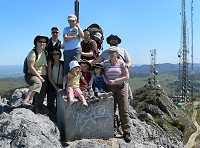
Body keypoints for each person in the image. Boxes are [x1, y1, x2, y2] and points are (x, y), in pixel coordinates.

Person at [101, 46, 131, 143]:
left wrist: (115, 81)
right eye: (109, 52)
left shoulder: (122, 63)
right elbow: (100, 72)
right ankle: (112, 130)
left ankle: (126, 132)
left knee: (124, 109)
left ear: (117, 54)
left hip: (121, 87)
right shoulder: (105, 63)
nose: (111, 54)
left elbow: (127, 77)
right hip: (109, 87)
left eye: (113, 52)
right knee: (111, 109)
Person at [23, 35, 49, 114]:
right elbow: (30, 67)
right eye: (40, 41)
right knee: (37, 83)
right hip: (32, 75)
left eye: (44, 42)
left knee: (41, 94)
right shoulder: (33, 53)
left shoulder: (45, 53)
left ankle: (37, 109)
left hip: (43, 75)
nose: (42, 43)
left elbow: (45, 64)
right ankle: (26, 101)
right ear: (36, 43)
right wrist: (39, 77)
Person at [62, 14, 84, 80]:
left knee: (76, 66)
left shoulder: (78, 28)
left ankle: (76, 83)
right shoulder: (66, 29)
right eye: (69, 21)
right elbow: (65, 38)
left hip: (76, 49)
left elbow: (82, 36)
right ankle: (67, 83)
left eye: (73, 21)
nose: (71, 22)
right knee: (67, 67)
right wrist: (75, 37)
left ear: (76, 20)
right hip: (67, 50)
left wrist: (79, 26)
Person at [46, 27, 62, 112]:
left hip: (55, 64)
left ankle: (55, 110)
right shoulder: (47, 42)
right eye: (53, 32)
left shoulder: (60, 43)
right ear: (51, 33)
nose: (55, 34)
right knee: (47, 87)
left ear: (59, 33)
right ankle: (48, 109)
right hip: (47, 65)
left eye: (56, 32)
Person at [47, 49, 64, 113]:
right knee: (50, 104)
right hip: (52, 85)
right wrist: (56, 88)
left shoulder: (62, 63)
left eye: (57, 54)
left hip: (61, 85)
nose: (55, 55)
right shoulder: (50, 63)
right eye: (54, 54)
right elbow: (49, 77)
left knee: (59, 105)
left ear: (60, 54)